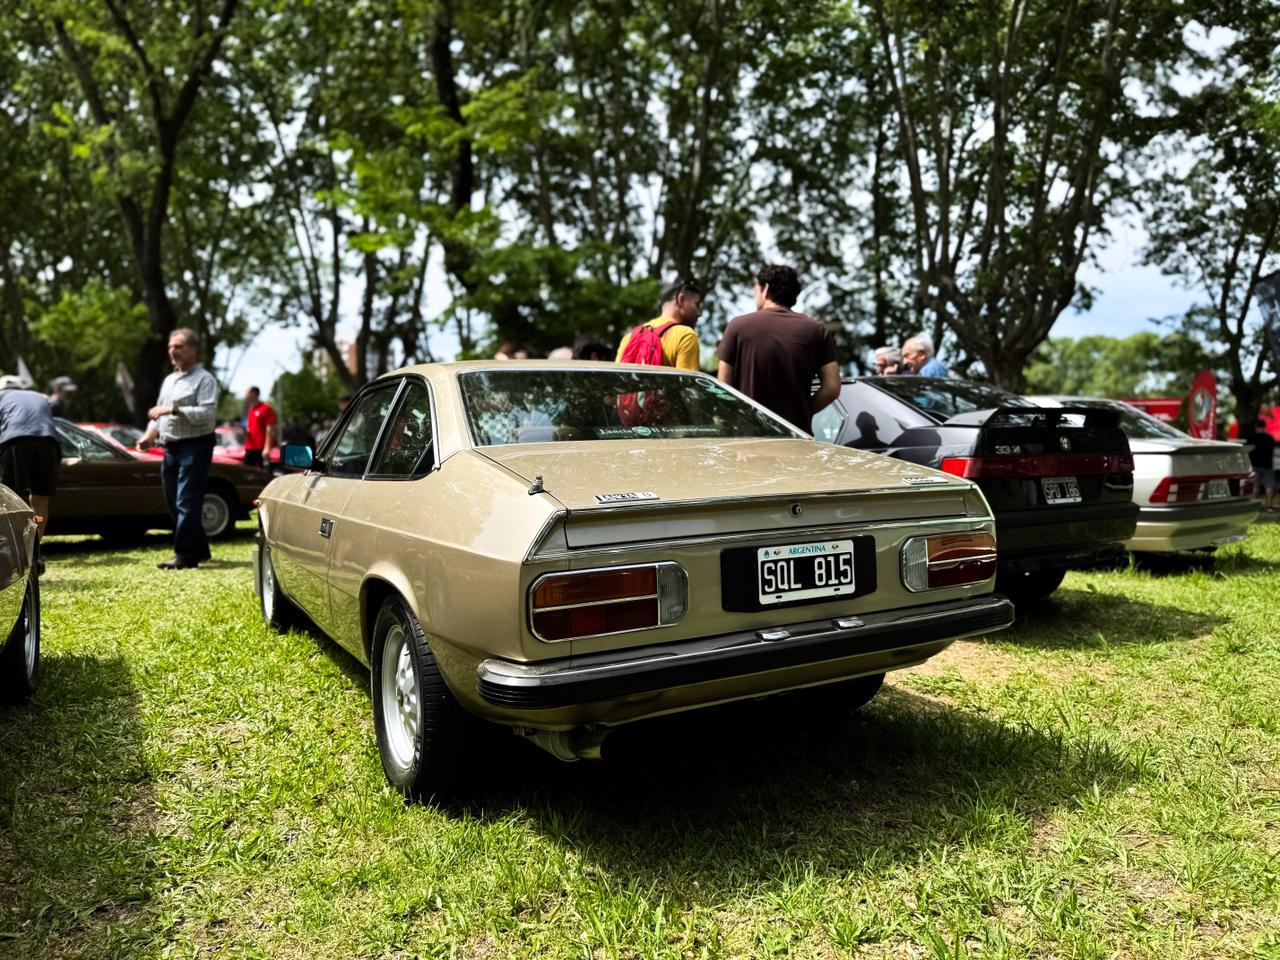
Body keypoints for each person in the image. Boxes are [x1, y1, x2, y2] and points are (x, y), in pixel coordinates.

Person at [716, 264, 840, 433]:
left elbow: (723, 387)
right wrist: (804, 410)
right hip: (797, 436)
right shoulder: (816, 330)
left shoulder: (737, 326)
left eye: (755, 288)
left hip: (749, 441)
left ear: (765, 289)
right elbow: (832, 387)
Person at [137, 328, 219, 570]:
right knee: (175, 501)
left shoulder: (205, 379)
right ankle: (200, 548)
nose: (173, 351)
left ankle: (185, 555)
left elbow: (207, 414)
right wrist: (148, 436)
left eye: (179, 346)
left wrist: (173, 410)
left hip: (196, 445)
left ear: (193, 349)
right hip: (170, 447)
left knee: (186, 500)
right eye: (171, 347)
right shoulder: (169, 380)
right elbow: (158, 415)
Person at [0, 375, 60, 537]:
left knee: (11, 498)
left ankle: (12, 547)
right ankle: (35, 547)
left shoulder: (2, 397)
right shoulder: (39, 396)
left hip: (16, 442)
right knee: (40, 500)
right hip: (48, 443)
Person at [615, 278, 703, 371]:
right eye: (697, 305)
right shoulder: (686, 336)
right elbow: (687, 384)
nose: (699, 313)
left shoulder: (629, 337)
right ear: (681, 300)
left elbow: (617, 377)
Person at [242, 386, 276, 469]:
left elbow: (270, 428)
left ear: (253, 393)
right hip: (249, 448)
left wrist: (267, 448)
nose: (245, 395)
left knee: (263, 474)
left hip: (261, 449)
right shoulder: (251, 410)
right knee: (246, 473)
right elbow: (252, 427)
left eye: (247, 393)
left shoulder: (266, 408)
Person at [1246, 418, 1276, 511]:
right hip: (1267, 465)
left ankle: (1253, 507)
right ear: (1264, 427)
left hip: (1254, 465)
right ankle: (1269, 506)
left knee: (1255, 486)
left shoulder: (1251, 438)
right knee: (1269, 486)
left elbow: (1247, 451)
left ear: (1256, 428)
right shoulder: (1269, 438)